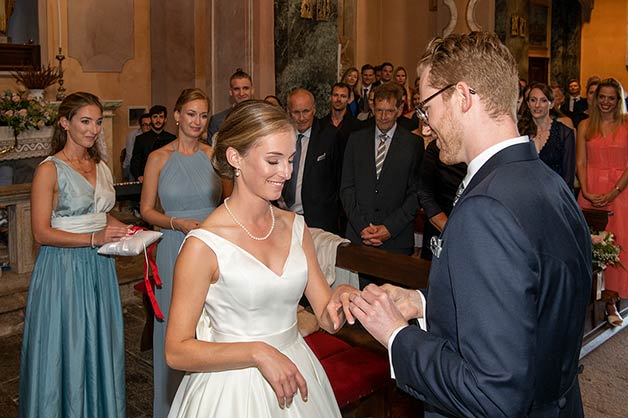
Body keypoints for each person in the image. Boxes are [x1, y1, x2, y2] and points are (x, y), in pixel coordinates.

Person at [347, 32, 592, 418]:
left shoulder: (487, 209)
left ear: (462, 97)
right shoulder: (550, 184)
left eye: (427, 108)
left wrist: (397, 334)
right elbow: (531, 307)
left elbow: (491, 392)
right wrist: (424, 304)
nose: (425, 126)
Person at [164, 100, 357, 418]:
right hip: (231, 388)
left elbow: (326, 316)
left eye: (291, 160)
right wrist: (256, 352)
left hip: (297, 373)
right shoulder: (204, 246)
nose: (287, 172)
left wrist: (342, 299)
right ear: (235, 157)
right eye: (273, 160)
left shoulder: (296, 227)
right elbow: (176, 350)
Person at [19, 92, 130, 418]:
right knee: (67, 344)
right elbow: (40, 231)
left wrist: (127, 231)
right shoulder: (49, 170)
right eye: (85, 121)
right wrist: (94, 237)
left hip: (100, 268)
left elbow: (102, 213)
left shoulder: (101, 166)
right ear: (65, 123)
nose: (94, 129)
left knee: (99, 343)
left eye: (97, 122)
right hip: (63, 270)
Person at [139, 88, 224, 418]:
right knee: (176, 327)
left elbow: (226, 203)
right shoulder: (158, 158)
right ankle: (171, 406)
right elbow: (146, 210)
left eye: (203, 115)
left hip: (212, 245)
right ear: (176, 116)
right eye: (191, 114)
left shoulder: (213, 155)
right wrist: (176, 222)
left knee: (213, 322)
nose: (197, 121)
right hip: (174, 245)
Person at [340, 82, 423, 257]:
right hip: (358, 237)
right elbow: (347, 188)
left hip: (396, 241)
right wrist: (362, 227)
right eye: (379, 110)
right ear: (372, 107)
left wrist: (389, 228)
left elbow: (415, 193)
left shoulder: (413, 144)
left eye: (389, 111)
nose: (383, 117)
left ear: (399, 110)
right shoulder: (355, 140)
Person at [577, 77, 628, 327]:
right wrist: (586, 190)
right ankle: (583, 302)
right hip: (591, 191)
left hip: (621, 194)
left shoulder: (627, 124)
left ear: (619, 100)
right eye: (602, 97)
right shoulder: (586, 125)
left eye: (611, 97)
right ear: (596, 99)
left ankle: (612, 303)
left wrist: (615, 190)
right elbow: (581, 162)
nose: (606, 102)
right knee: (590, 248)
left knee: (617, 248)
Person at [283, 88, 341, 233]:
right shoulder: (280, 136)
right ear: (288, 111)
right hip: (284, 217)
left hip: (319, 222)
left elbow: (339, 180)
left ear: (314, 110)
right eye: (296, 112)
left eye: (306, 111)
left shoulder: (330, 136)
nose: (302, 118)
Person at [518, 82, 576, 190]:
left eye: (543, 100)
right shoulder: (520, 132)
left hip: (555, 197)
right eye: (533, 100)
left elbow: (568, 179)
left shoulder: (565, 133)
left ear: (552, 104)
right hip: (525, 195)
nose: (537, 105)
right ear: (528, 103)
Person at [130, 104, 177, 181]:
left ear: (165, 119)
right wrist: (138, 176)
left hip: (168, 180)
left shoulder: (172, 139)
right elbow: (135, 162)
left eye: (161, 117)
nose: (158, 120)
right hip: (146, 180)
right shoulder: (141, 139)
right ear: (150, 119)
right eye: (155, 117)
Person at [207, 68, 255, 142]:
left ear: (252, 90)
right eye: (236, 89)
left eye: (245, 88)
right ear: (230, 92)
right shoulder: (217, 121)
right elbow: (211, 151)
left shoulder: (262, 117)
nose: (241, 93)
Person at [122, 112, 151, 181]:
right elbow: (130, 157)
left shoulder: (153, 136)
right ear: (141, 126)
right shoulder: (132, 136)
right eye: (145, 125)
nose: (148, 127)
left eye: (150, 125)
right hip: (130, 165)